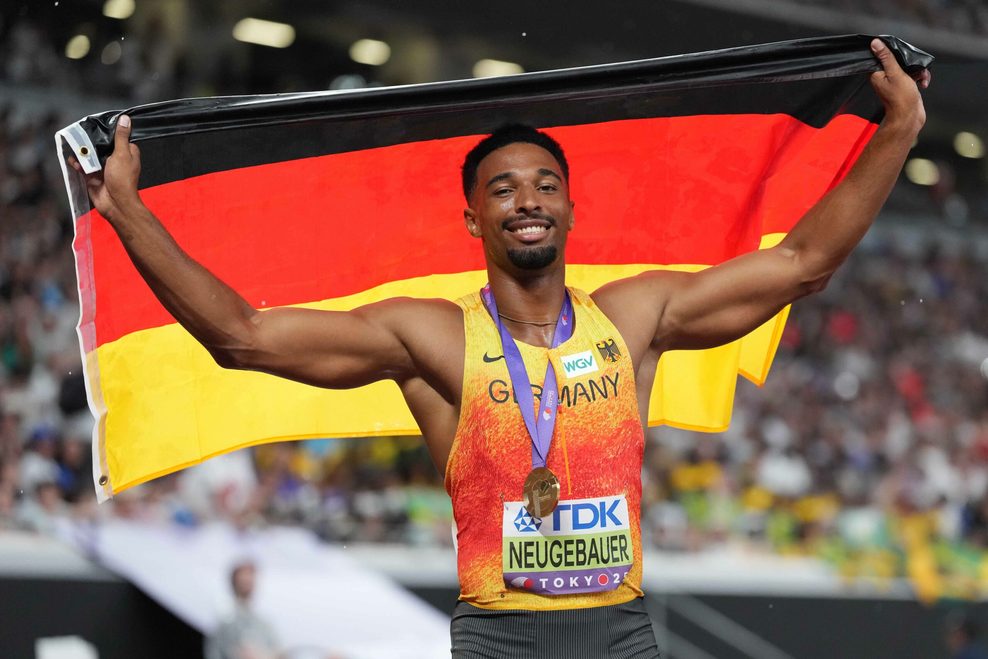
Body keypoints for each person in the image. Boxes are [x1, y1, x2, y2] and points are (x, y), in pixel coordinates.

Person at [74, 39, 929, 658]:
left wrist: (897, 129)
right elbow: (243, 337)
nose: (530, 200)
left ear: (569, 210)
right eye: (505, 188)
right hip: (498, 637)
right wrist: (129, 212)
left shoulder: (635, 317)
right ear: (473, 217)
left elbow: (801, 264)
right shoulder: (431, 337)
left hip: (622, 633)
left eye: (548, 184)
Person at [205, 561, 280, 659]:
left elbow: (276, 651)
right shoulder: (223, 619)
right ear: (234, 582)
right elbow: (214, 652)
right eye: (243, 580)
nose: (248, 583)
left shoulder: (263, 623)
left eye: (250, 580)